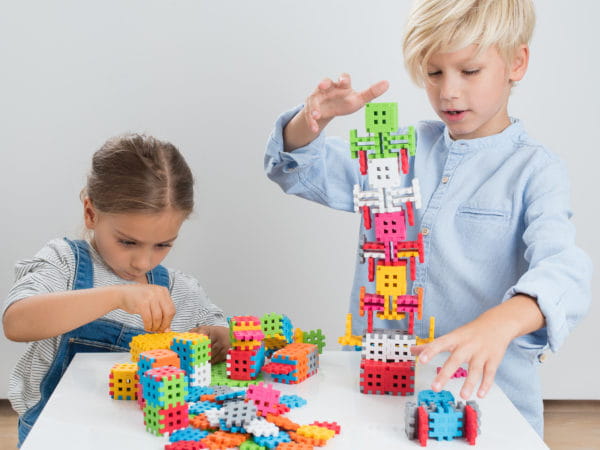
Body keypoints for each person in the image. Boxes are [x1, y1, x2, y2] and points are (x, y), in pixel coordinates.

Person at [264, 0, 592, 436]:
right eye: (434, 73)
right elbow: (297, 170)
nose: (448, 91)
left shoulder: (536, 170)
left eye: (469, 71)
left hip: (489, 399)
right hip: (380, 391)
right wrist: (311, 121)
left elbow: (564, 267)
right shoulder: (397, 152)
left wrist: (503, 320)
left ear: (516, 62)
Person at [2, 133, 230, 446]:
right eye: (127, 242)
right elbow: (17, 323)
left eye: (163, 245)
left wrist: (220, 337)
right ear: (91, 213)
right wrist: (117, 295)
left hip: (135, 437)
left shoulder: (178, 289)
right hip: (54, 434)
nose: (142, 262)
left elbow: (218, 328)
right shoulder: (65, 263)